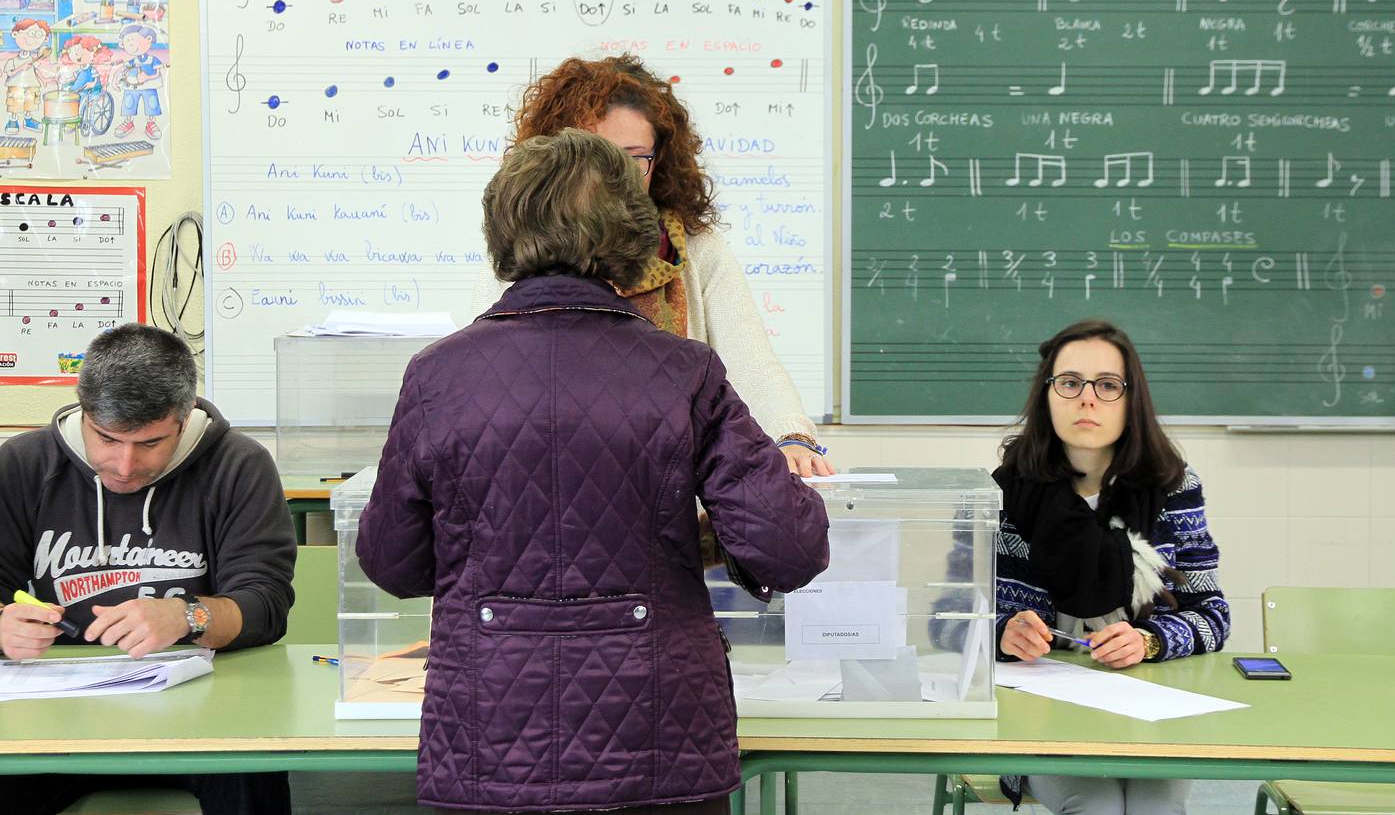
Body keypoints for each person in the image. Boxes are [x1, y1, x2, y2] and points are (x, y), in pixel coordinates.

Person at [360, 128, 830, 814]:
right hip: (659, 741)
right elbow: (786, 549)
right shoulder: (684, 371)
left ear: (502, 232)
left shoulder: (437, 376)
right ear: (633, 237)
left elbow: (392, 563)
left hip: (490, 741)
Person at [470, 54, 832, 477]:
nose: (616, 181)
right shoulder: (526, 250)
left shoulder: (697, 249)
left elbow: (753, 366)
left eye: (633, 159)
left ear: (659, 161)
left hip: (674, 487)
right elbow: (484, 368)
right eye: (595, 160)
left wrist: (791, 437)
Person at [0, 323, 297, 815]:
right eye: (106, 439)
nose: (122, 464)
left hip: (207, 706)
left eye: (149, 443)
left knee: (252, 779)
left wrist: (187, 616)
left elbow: (266, 605)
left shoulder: (239, 465)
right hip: (55, 710)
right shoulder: (22, 465)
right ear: (84, 412)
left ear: (181, 420)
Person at [993, 319, 1229, 814]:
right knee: (1094, 806)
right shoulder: (1001, 492)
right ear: (1047, 395)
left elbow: (1213, 614)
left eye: (1107, 385)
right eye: (1070, 383)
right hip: (1043, 707)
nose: (1087, 399)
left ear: (1131, 398)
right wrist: (1003, 632)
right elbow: (950, 617)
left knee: (1155, 808)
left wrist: (1150, 640)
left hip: (1152, 701)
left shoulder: (1174, 488)